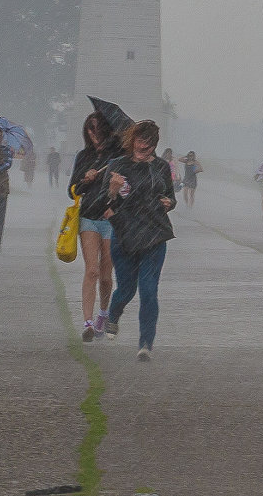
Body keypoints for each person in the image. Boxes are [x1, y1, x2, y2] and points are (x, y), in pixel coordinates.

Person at [101, 120, 176, 360]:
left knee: (149, 290)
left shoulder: (162, 167)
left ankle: (145, 344)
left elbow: (170, 197)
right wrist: (112, 191)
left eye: (150, 142)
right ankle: (113, 314)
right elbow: (102, 205)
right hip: (124, 236)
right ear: (132, 140)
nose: (145, 145)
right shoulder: (116, 166)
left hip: (155, 234)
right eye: (141, 140)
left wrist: (169, 203)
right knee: (126, 289)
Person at [68, 113, 120, 342]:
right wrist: (84, 181)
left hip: (111, 218)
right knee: (92, 270)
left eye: (98, 129)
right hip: (88, 217)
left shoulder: (118, 157)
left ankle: (104, 313)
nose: (94, 133)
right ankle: (87, 322)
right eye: (90, 129)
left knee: (106, 276)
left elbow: (128, 189)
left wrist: (116, 187)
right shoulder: (83, 157)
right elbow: (72, 190)